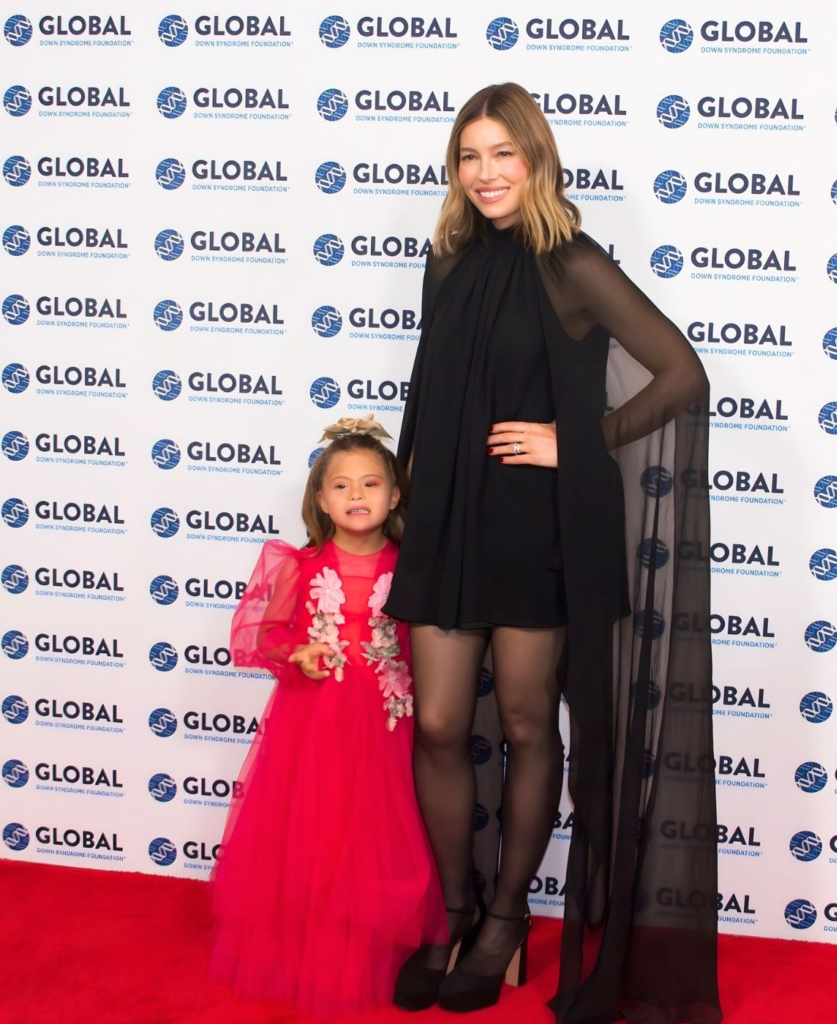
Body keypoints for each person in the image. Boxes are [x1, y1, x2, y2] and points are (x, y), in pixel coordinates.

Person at [387, 83, 722, 1022]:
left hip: (536, 530)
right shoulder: (447, 259)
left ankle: (506, 920)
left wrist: (580, 440)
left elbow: (682, 372)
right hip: (449, 520)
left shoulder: (574, 262)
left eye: (504, 153)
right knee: (439, 724)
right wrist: (410, 497)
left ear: (536, 159)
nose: (485, 173)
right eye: (469, 156)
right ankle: (453, 912)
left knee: (529, 723)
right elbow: (431, 389)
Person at [209, 417, 446, 1019]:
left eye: (371, 483)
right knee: (314, 825)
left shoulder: (411, 565)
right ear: (320, 498)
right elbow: (263, 636)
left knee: (375, 828)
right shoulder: (304, 564)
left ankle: (368, 933)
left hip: (386, 720)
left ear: (395, 495)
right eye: (341, 486)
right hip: (315, 721)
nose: (356, 495)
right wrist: (299, 652)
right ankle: (309, 934)